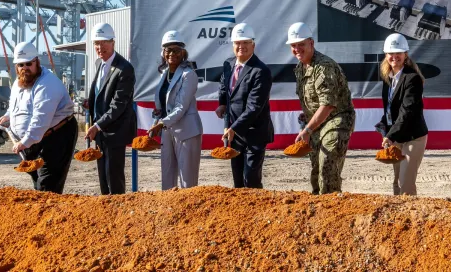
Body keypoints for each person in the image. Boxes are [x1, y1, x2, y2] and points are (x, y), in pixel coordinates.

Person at [0, 42, 77, 194]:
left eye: (28, 64)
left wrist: (24, 143)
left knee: (48, 185)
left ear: (37, 62)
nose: (25, 68)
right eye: (20, 65)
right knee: (37, 182)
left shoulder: (47, 84)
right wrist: (7, 116)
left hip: (56, 136)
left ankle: (51, 214)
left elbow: (40, 120)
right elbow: (16, 106)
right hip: (33, 141)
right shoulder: (19, 83)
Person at [287, 22, 355, 195]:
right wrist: (308, 116)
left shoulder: (324, 67)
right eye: (293, 45)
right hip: (318, 122)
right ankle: (319, 212)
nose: (297, 49)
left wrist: (308, 129)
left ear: (311, 43)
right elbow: (313, 99)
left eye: (301, 44)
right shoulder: (300, 68)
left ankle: (333, 212)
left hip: (337, 119)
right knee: (316, 170)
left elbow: (328, 104)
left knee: (327, 165)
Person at [215, 23, 274, 189]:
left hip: (254, 133)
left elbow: (254, 107)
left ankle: (259, 212)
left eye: (246, 42)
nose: (242, 46)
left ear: (253, 45)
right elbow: (224, 87)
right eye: (238, 43)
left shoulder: (260, 71)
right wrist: (221, 104)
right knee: (238, 182)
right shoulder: (228, 64)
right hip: (235, 134)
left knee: (251, 181)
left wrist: (233, 128)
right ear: (233, 45)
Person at [86, 22, 137, 195]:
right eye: (96, 43)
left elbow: (119, 104)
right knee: (103, 180)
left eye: (104, 42)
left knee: (114, 179)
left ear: (113, 42)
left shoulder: (124, 69)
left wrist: (97, 125)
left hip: (115, 132)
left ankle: (119, 215)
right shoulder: (100, 65)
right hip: (101, 133)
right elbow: (101, 95)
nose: (100, 47)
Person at [147, 31, 203, 190]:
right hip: (167, 131)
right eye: (168, 50)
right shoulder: (164, 74)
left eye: (176, 50)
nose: (172, 54)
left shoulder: (189, 74)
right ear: (163, 53)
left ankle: (190, 213)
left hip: (187, 132)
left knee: (187, 182)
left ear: (183, 53)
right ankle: (169, 212)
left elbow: (181, 107)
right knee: (167, 178)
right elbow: (162, 105)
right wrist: (156, 120)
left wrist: (161, 124)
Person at [377, 33, 428, 196]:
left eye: (398, 52)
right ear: (386, 55)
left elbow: (408, 111)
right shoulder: (388, 78)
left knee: (405, 182)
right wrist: (384, 125)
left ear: (405, 54)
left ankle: (412, 218)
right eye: (391, 53)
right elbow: (390, 108)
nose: (394, 57)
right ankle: (398, 218)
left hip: (414, 137)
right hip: (397, 136)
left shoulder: (412, 78)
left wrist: (390, 135)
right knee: (397, 183)